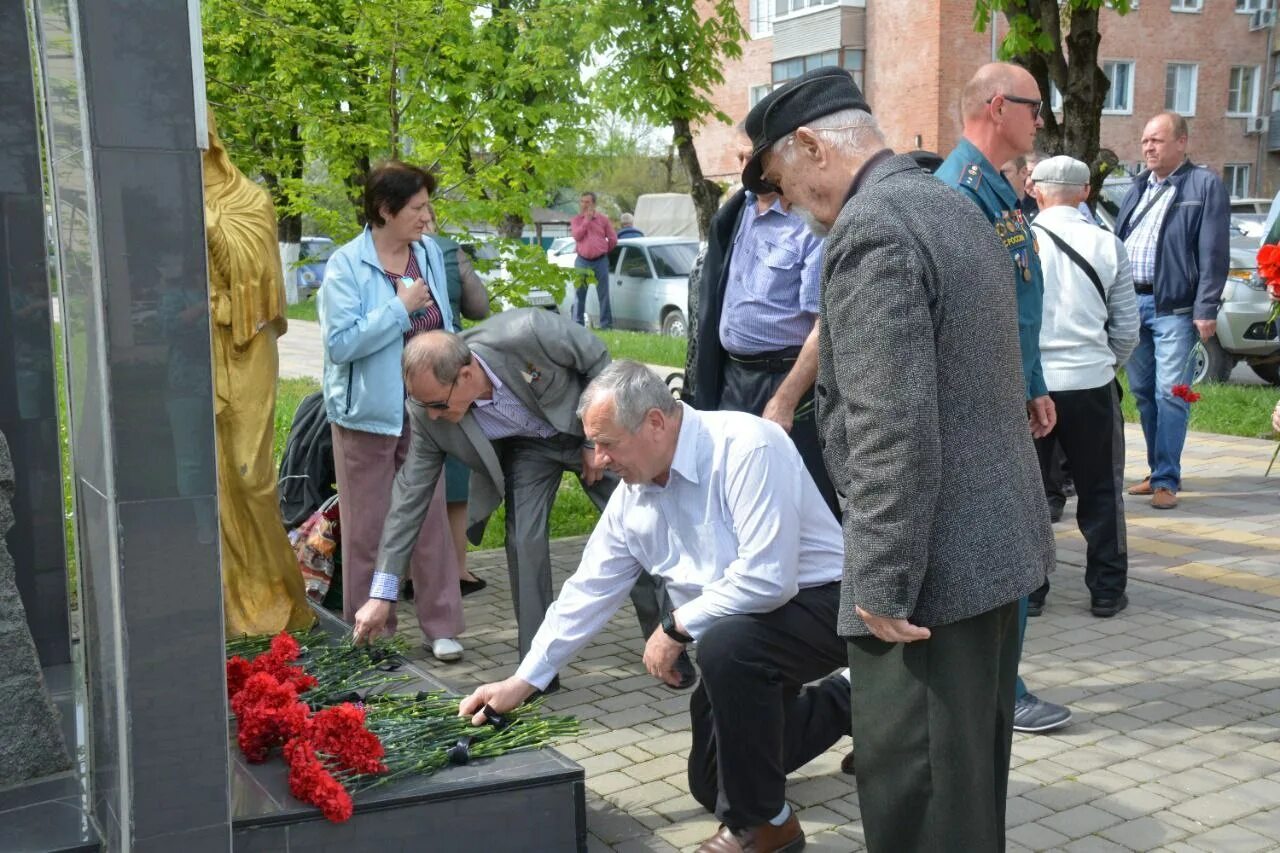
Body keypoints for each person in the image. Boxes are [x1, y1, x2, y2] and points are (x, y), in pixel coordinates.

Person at [742, 67, 1053, 851]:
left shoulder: (873, 227)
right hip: (993, 554)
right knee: (968, 792)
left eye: (784, 181)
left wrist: (878, 580)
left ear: (811, 145)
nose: (791, 202)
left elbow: (892, 425)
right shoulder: (950, 202)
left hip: (925, 583)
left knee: (918, 801)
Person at [459, 361, 851, 853]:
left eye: (607, 443)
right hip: (740, 633)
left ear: (656, 423)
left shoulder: (747, 445)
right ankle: (849, 702)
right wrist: (523, 681)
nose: (597, 461)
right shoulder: (632, 497)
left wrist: (675, 627)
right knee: (713, 784)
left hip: (826, 604)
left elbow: (769, 578)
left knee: (729, 651)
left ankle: (767, 826)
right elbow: (588, 590)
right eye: (592, 444)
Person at [350, 310, 689, 688]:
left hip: (591, 435)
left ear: (465, 375)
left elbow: (600, 362)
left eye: (438, 405)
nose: (432, 415)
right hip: (531, 451)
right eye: (425, 405)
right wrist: (383, 593)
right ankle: (537, 669)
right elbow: (408, 498)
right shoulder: (428, 410)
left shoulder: (527, 331)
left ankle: (666, 643)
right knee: (522, 542)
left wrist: (593, 440)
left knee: (639, 529)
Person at [936, 61, 1071, 736]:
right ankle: (997, 689)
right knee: (1000, 549)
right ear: (996, 105)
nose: (1040, 119)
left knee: (1012, 546)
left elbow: (1018, 303)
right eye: (1033, 106)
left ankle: (998, 685)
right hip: (976, 408)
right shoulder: (955, 194)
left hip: (1005, 398)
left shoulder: (996, 190)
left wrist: (1035, 383)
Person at [318, 161, 465, 662]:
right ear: (385, 210)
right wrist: (398, 308)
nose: (428, 217)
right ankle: (370, 628)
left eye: (428, 205)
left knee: (428, 521)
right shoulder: (345, 265)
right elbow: (341, 345)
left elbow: (444, 325)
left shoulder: (425, 256)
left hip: (424, 413)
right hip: (365, 416)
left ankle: (441, 624)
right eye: (418, 207)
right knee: (368, 526)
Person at [201, 110, 313, 635]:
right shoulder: (148, 195)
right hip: (185, 351)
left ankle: (276, 599)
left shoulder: (250, 199)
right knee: (200, 477)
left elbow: (265, 288)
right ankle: (217, 601)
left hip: (245, 344)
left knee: (249, 479)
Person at [686, 130, 837, 516]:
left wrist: (784, 400)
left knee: (792, 501)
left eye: (751, 160)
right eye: (738, 160)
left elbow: (826, 328)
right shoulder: (735, 215)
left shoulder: (809, 224)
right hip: (732, 380)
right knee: (732, 493)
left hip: (786, 381)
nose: (744, 171)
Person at [1028, 156, 1140, 618]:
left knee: (1029, 491)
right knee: (1101, 490)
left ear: (1036, 190)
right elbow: (1128, 328)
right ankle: (1107, 590)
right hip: (1092, 383)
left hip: (1032, 386)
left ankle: (1031, 591)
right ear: (1085, 191)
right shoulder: (1108, 244)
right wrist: (1104, 363)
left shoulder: (1016, 243)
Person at [1116, 111, 1230, 510]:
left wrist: (1207, 306)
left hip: (1175, 308)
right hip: (1132, 304)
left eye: (1157, 140)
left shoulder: (1204, 184)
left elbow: (1214, 251)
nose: (1148, 147)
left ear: (1181, 142)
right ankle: (1155, 470)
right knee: (1144, 393)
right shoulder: (1138, 186)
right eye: (1145, 140)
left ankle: (1167, 479)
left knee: (1172, 393)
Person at [423, 202, 490, 596]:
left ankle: (412, 574)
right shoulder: (449, 250)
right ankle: (458, 569)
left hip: (403, 371)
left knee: (413, 477)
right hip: (450, 366)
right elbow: (479, 307)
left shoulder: (376, 253)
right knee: (457, 476)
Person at [570, 191, 617, 329]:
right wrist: (587, 221)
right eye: (582, 201)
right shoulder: (576, 220)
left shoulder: (603, 220)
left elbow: (613, 239)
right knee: (579, 294)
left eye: (587, 202)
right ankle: (577, 325)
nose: (584, 205)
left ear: (594, 204)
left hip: (600, 261)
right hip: (582, 261)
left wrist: (603, 250)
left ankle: (606, 325)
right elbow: (577, 236)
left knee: (603, 295)